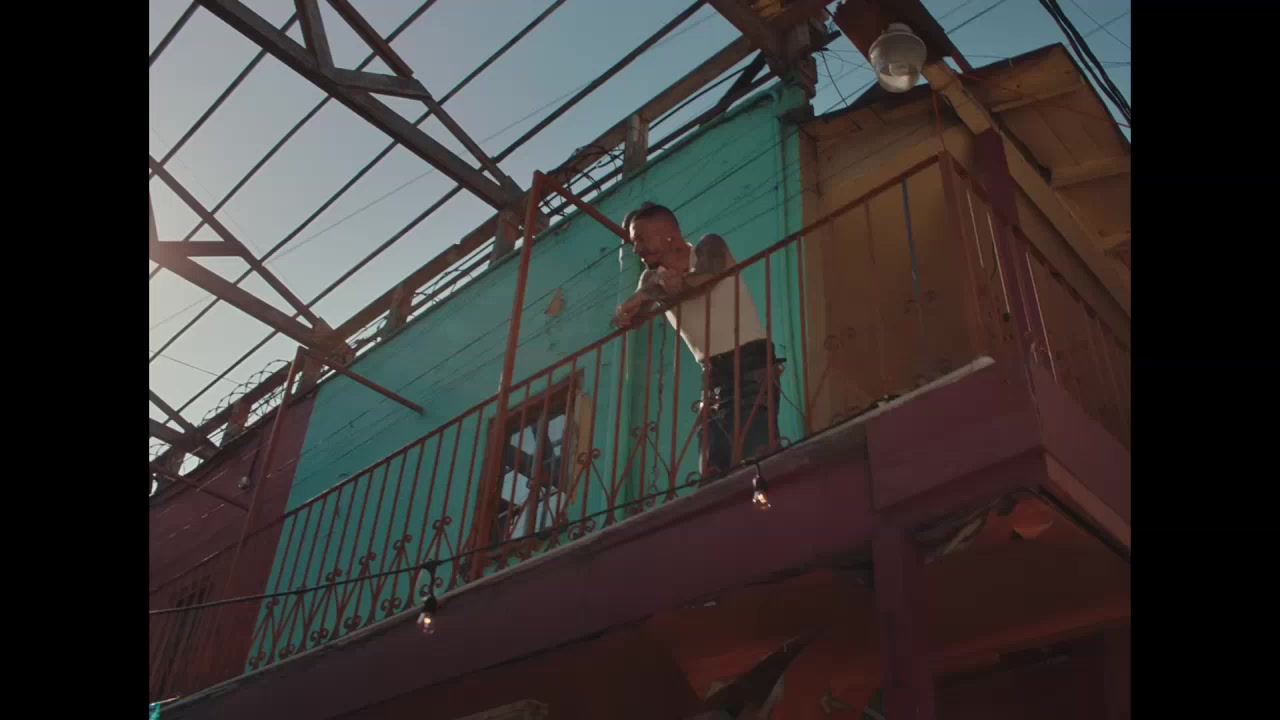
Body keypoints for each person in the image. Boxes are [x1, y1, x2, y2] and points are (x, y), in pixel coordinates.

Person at [613, 202, 782, 480]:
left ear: (668, 234)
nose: (636, 249)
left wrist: (654, 292)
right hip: (713, 376)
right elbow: (634, 314)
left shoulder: (709, 246)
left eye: (640, 239)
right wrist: (624, 313)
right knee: (712, 472)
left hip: (751, 362)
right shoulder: (651, 277)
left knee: (758, 461)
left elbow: (704, 279)